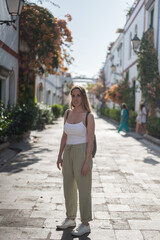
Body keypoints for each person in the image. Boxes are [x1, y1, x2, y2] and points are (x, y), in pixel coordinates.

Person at [56, 85, 95, 237]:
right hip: (69, 152)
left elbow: (90, 141)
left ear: (83, 97)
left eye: (78, 95)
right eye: (73, 95)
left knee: (84, 189)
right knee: (68, 187)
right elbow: (64, 136)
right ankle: (71, 218)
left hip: (82, 152)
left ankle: (85, 223)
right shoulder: (67, 113)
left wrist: (87, 162)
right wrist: (60, 155)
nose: (75, 98)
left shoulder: (88, 116)